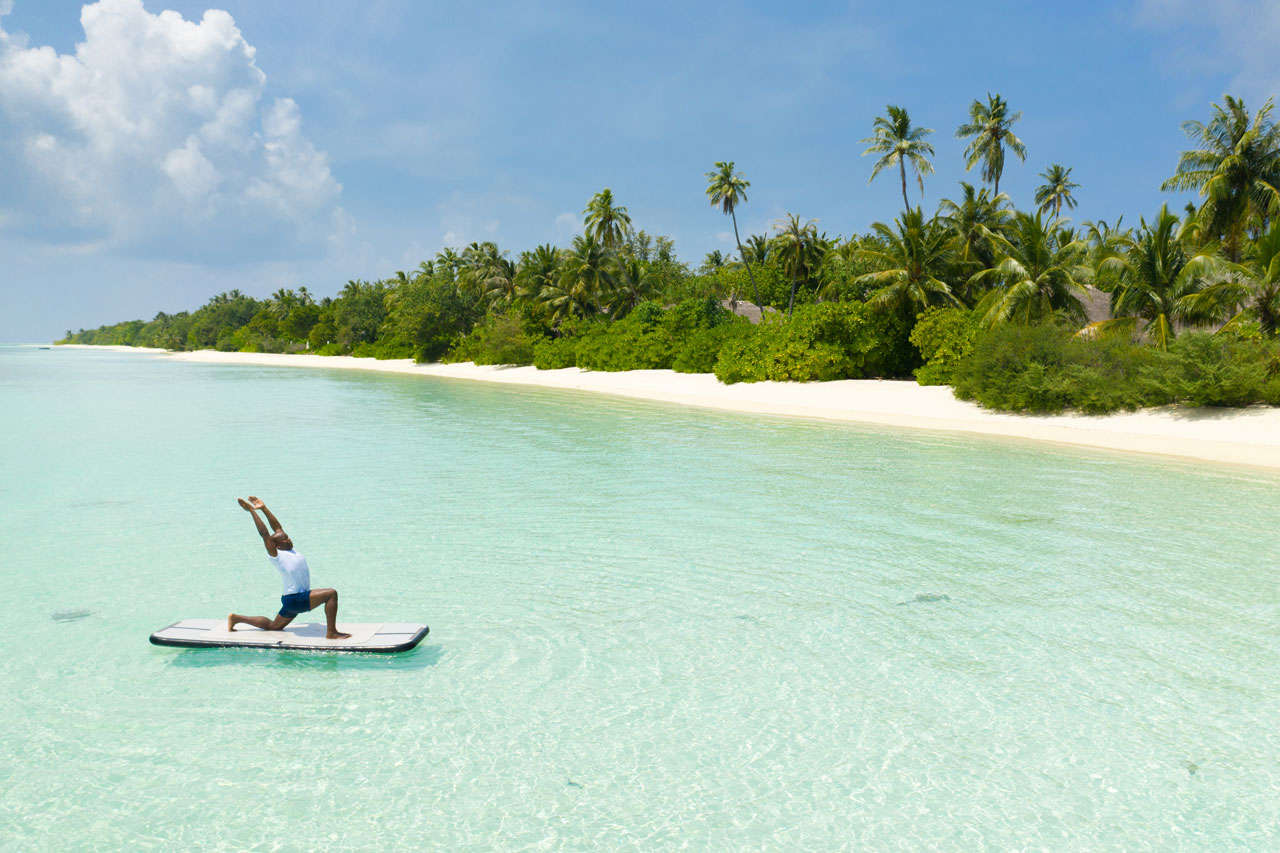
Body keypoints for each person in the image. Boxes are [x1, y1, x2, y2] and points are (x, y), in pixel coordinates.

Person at [227, 496, 351, 640]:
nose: (289, 539)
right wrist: (251, 511)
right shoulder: (277, 556)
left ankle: (236, 618)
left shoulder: (290, 550)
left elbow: (277, 528)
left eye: (288, 537)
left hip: (291, 599)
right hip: (295, 599)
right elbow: (265, 534)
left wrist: (264, 508)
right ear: (277, 545)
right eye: (285, 539)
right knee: (331, 594)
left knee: (274, 626)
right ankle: (331, 633)